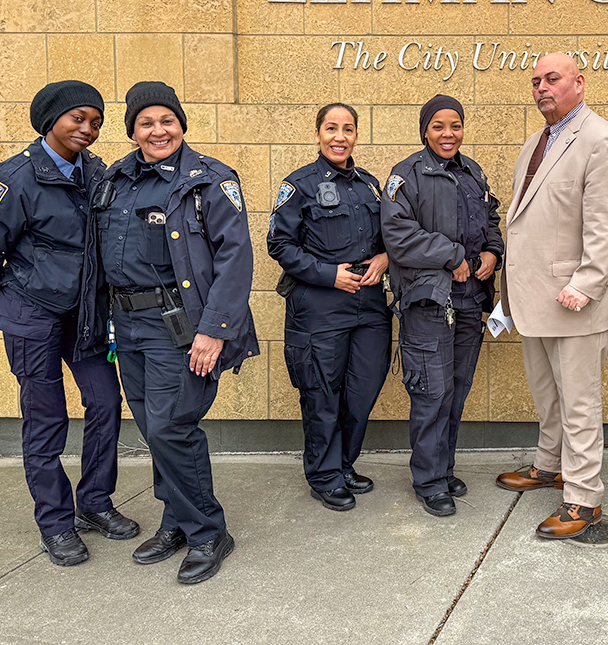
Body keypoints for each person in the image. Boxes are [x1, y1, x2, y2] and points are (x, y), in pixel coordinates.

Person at [0, 80, 138, 567]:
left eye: (96, 122)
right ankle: (55, 523)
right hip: (31, 315)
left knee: (104, 403)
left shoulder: (97, 173)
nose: (88, 129)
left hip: (84, 316)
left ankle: (94, 504)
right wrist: (2, 309)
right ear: (50, 120)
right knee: (46, 420)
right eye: (78, 118)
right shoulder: (14, 178)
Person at [93, 81, 258, 583]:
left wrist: (214, 331)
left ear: (181, 124)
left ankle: (209, 532)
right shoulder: (115, 180)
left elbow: (236, 258)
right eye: (146, 122)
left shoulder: (210, 179)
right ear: (133, 130)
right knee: (152, 429)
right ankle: (177, 521)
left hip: (182, 327)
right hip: (128, 325)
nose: (158, 130)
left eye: (167, 120)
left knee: (171, 427)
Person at [495, 52, 608, 539]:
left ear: (579, 83)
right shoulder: (537, 141)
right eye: (535, 80)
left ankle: (583, 498)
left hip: (575, 300)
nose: (541, 88)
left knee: (579, 403)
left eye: (552, 79)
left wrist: (586, 284)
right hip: (534, 299)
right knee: (547, 394)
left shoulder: (601, 141)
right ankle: (549, 464)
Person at [382, 95, 504, 517]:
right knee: (432, 393)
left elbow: (491, 221)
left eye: (455, 125)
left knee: (456, 390)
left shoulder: (474, 174)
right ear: (425, 130)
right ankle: (429, 480)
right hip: (429, 303)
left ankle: (443, 467)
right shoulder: (406, 175)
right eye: (438, 126)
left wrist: (492, 252)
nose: (448, 134)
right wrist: (451, 255)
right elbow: (398, 236)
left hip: (470, 302)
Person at [267, 103, 392, 512]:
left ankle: (343, 464)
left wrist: (384, 259)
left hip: (370, 306)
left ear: (357, 135)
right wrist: (327, 274)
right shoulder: (298, 185)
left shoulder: (371, 186)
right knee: (322, 393)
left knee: (362, 390)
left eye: (348, 129)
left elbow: (391, 237)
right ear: (318, 133)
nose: (340, 137)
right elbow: (279, 245)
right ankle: (324, 475)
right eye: (331, 128)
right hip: (319, 307)